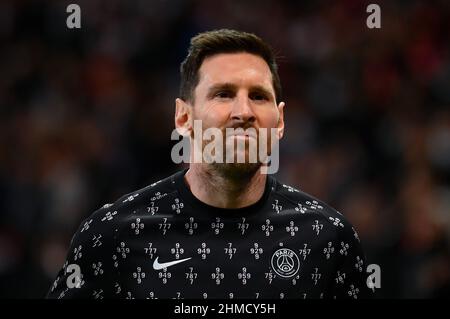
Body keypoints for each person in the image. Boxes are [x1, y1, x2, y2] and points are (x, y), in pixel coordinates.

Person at [47, 29, 373, 299]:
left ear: (280, 121)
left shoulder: (328, 240)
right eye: (223, 94)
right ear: (184, 117)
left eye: (258, 96)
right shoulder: (113, 236)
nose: (243, 112)